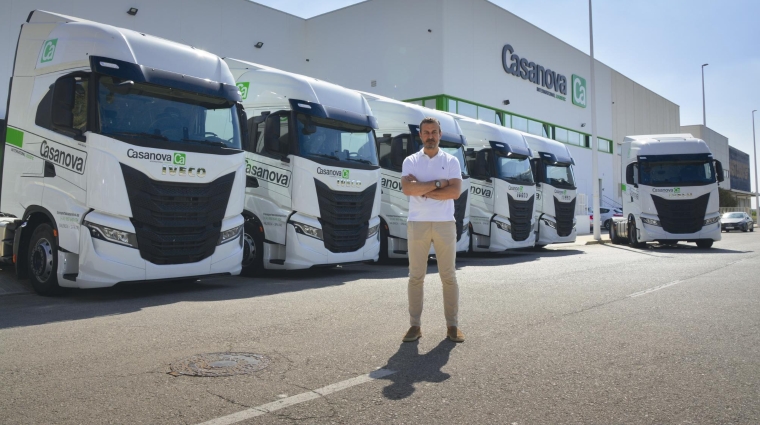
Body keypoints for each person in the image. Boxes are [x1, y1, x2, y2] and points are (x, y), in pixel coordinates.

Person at [400, 117, 464, 343]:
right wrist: (439, 184)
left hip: (445, 222)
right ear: (420, 135)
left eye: (434, 132)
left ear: (440, 134)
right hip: (417, 223)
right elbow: (408, 188)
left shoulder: (452, 161)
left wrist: (423, 189)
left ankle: (452, 326)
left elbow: (455, 192)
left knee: (448, 276)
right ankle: (415, 326)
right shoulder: (410, 161)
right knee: (416, 277)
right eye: (426, 132)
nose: (430, 136)